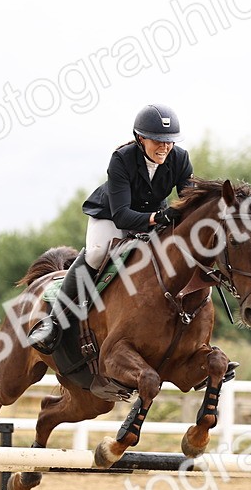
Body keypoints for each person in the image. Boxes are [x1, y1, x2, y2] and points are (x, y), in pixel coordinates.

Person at [27, 103, 194, 354]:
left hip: (154, 217)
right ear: (140, 138)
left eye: (169, 141)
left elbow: (189, 201)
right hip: (112, 215)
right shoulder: (122, 159)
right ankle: (54, 321)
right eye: (158, 140)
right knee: (96, 253)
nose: (165, 146)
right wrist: (158, 217)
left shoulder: (180, 158)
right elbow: (122, 216)